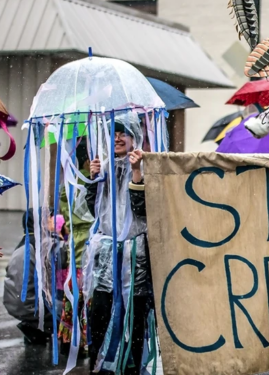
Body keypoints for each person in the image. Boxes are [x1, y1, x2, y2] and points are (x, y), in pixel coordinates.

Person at [85, 119, 149, 374]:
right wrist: (93, 179)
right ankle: (99, 365)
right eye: (114, 134)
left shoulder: (145, 167)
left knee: (134, 315)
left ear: (135, 138)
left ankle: (132, 366)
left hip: (135, 256)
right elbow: (94, 211)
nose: (119, 138)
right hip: (106, 254)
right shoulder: (104, 168)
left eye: (124, 134)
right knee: (100, 311)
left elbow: (142, 211)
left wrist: (136, 173)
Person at [3, 210, 53, 345]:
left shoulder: (24, 242)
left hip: (14, 302)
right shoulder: (42, 245)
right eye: (49, 218)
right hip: (28, 303)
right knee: (67, 309)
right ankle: (37, 327)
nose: (54, 221)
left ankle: (33, 326)